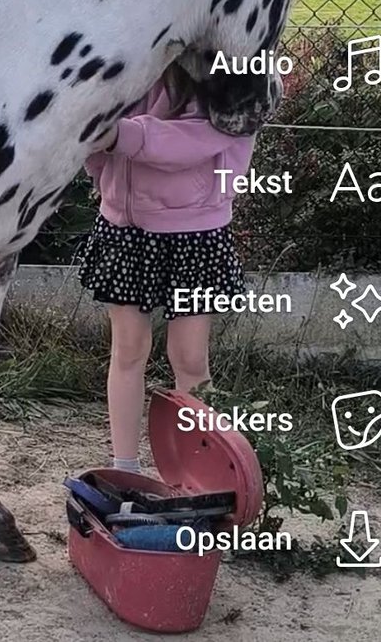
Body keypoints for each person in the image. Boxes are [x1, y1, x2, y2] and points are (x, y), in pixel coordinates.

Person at [80, 70, 260, 474]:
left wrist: (119, 137)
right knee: (127, 350)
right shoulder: (130, 55)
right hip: (122, 229)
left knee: (191, 359)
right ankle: (125, 468)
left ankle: (200, 468)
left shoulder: (229, 68)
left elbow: (193, 141)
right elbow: (91, 122)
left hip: (194, 233)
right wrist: (100, 166)